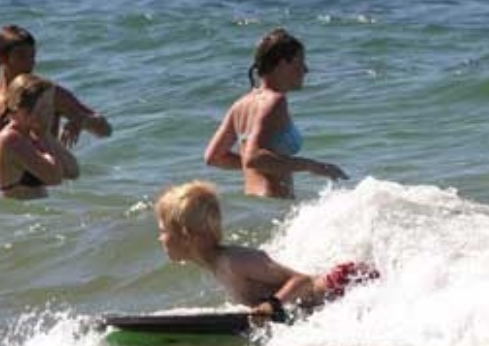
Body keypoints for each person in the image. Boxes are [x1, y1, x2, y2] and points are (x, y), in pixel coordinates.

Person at [154, 180, 376, 321]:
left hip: (342, 284)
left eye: (163, 230)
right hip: (330, 297)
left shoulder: (234, 261)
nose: (159, 238)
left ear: (186, 235)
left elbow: (301, 280)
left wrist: (271, 306)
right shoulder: (215, 265)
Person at [0, 24, 111, 167]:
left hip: (50, 178)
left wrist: (83, 120)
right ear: (0, 58)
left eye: (32, 56)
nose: (30, 64)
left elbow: (105, 130)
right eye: (21, 57)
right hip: (12, 181)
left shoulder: (50, 93)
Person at [204, 27, 348, 199]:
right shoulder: (275, 101)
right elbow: (253, 158)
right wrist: (313, 166)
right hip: (274, 204)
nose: (306, 70)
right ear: (282, 64)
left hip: (255, 204)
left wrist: (254, 164)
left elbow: (214, 157)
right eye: (300, 62)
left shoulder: (240, 104)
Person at [0, 74, 79, 199]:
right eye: (44, 107)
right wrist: (43, 136)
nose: (50, 112)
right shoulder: (10, 139)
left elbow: (73, 171)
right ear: (22, 109)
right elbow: (54, 178)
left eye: (50, 106)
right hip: (19, 215)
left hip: (33, 213)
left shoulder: (31, 134)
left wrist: (46, 136)